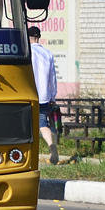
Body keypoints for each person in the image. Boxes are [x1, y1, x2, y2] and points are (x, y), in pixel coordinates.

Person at [29, 25, 59, 165]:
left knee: (27, 124)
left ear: (28, 38)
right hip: (43, 95)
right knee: (42, 124)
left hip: (28, 94)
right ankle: (51, 145)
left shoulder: (27, 52)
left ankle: (29, 153)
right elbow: (52, 77)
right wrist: (52, 96)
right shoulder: (47, 53)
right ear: (38, 37)